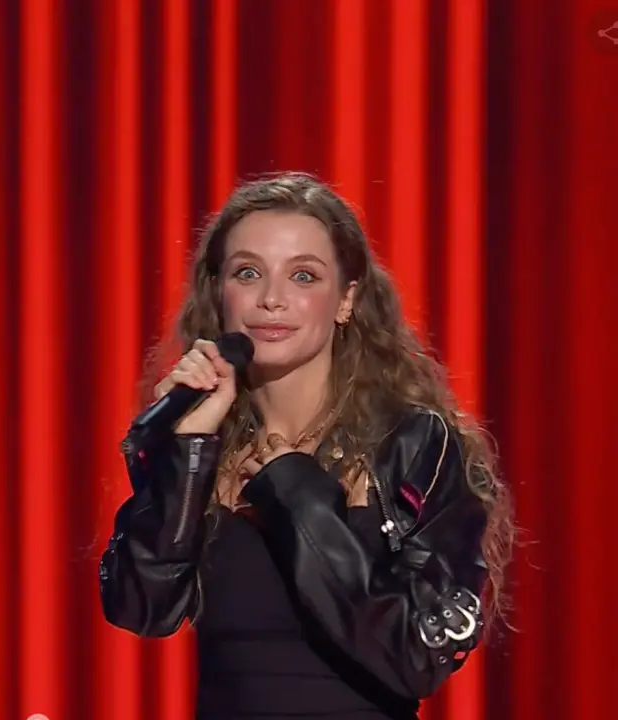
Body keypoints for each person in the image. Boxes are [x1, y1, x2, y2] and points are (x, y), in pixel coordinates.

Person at [98, 172, 513, 719]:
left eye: (303, 276)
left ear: (346, 300)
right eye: (248, 273)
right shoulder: (199, 444)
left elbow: (418, 656)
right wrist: (189, 450)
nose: (272, 299)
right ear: (219, 292)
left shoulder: (412, 443)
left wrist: (294, 492)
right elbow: (141, 608)